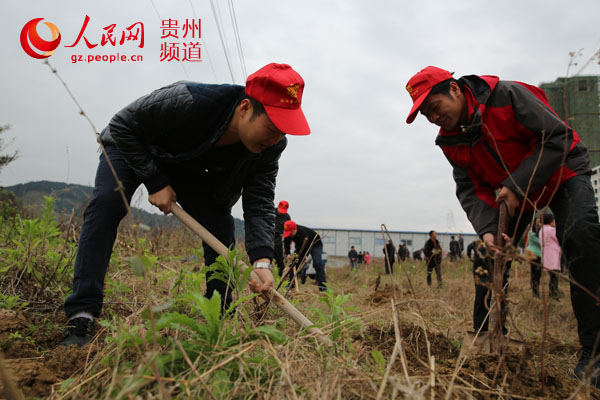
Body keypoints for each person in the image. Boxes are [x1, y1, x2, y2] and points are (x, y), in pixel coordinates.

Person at [61, 63, 311, 347]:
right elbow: (122, 126)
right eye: (272, 127)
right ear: (244, 109)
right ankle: (82, 312)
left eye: (283, 131)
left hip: (184, 164)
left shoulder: (271, 147)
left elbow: (260, 200)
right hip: (131, 145)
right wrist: (155, 181)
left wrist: (263, 260)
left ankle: (219, 318)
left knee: (219, 228)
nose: (276, 138)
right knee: (107, 204)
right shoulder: (189, 100)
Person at [405, 65, 600, 385]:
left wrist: (519, 182)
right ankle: (487, 340)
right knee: (488, 254)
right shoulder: (450, 141)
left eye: (434, 108)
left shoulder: (507, 96)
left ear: (454, 90)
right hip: (512, 194)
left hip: (560, 171)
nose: (433, 119)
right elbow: (469, 187)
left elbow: (557, 136)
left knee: (582, 237)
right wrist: (488, 229)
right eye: (425, 115)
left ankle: (594, 353)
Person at [283, 220, 327, 291]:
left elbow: (301, 250)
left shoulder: (302, 233)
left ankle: (323, 287)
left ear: (295, 229)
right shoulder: (289, 233)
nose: (289, 235)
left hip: (315, 244)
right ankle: (291, 285)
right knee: (293, 264)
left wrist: (302, 256)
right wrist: (288, 253)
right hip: (302, 246)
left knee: (317, 263)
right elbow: (286, 243)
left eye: (290, 233)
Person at [539, 213, 561, 299]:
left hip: (546, 256)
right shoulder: (552, 230)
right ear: (551, 221)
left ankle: (554, 293)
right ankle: (553, 294)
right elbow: (559, 238)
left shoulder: (542, 230)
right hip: (553, 256)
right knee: (554, 277)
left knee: (553, 277)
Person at [525, 220, 543, 298]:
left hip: (539, 255)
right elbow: (540, 243)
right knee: (534, 273)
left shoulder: (540, 232)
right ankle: (535, 291)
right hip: (533, 255)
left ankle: (536, 290)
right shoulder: (532, 233)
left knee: (538, 273)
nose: (540, 224)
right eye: (538, 222)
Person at [273, 200, 291, 275]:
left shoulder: (287, 217)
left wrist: (288, 243)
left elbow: (288, 230)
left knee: (280, 259)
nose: (281, 212)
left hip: (278, 237)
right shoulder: (271, 211)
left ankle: (280, 276)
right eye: (281, 210)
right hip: (268, 235)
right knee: (267, 255)